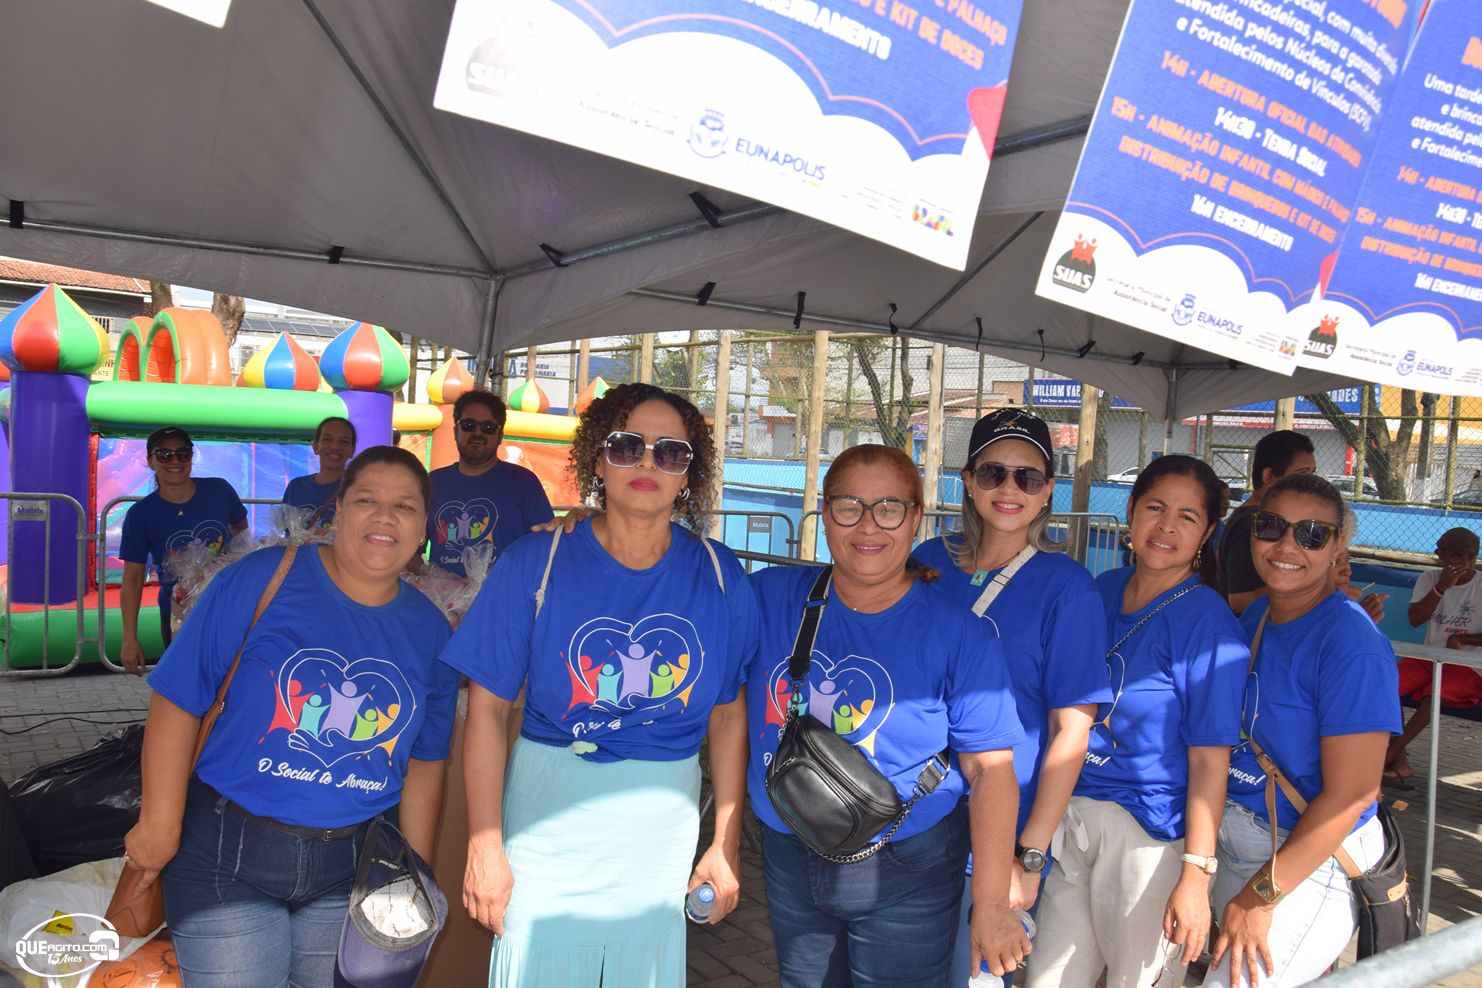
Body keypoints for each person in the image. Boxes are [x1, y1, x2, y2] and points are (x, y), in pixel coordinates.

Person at [443, 383, 757, 986]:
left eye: (671, 452)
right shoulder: (534, 563)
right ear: (597, 459)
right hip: (545, 826)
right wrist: (484, 845)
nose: (648, 463)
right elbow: (487, 711)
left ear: (689, 474)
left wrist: (725, 844)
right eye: (627, 445)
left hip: (659, 840)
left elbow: (726, 715)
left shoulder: (721, 575)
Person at [122, 446, 459, 986]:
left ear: (423, 529)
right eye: (367, 500)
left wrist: (410, 873)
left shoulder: (432, 631)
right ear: (338, 510)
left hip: (352, 869)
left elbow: (425, 760)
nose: (384, 517)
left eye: (404, 506)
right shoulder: (262, 579)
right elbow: (179, 697)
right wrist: (159, 822)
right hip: (227, 856)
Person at [749, 444, 1029, 987]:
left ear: (916, 517)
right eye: (848, 506)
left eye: (889, 508)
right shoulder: (768, 597)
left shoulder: (959, 634)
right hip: (790, 845)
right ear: (824, 514)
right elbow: (683, 577)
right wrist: (592, 528)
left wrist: (992, 902)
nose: (868, 526)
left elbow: (991, 768)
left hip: (908, 864)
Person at [1028, 455, 1249, 988]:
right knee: (1046, 979)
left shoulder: (1209, 625)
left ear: (1207, 533)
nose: (1166, 526)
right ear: (1130, 510)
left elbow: (1210, 759)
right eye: (1155, 507)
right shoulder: (1101, 589)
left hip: (1149, 838)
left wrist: (1195, 876)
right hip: (1071, 816)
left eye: (1187, 516)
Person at [911, 408, 1110, 986]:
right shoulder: (928, 563)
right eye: (993, 472)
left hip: (997, 827)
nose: (1009, 489)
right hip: (910, 814)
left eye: (1028, 477)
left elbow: (1072, 731)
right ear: (969, 482)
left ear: (1048, 491)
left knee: (971, 972)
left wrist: (1030, 854)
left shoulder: (1068, 588)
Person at [1207, 474, 1400, 987]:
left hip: (1306, 861)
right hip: (1239, 842)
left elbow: (1352, 795)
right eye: (1272, 526)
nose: (1288, 545)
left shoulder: (1351, 643)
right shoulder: (1260, 615)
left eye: (1312, 534)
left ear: (1338, 546)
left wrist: (1260, 897)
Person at [119, 427, 248, 675]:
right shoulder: (140, 515)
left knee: (232, 677)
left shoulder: (219, 490)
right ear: (150, 461)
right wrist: (129, 638)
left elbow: (241, 532)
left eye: (183, 453)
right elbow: (133, 577)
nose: (175, 461)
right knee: (184, 679)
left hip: (227, 605)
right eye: (164, 454)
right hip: (178, 613)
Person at [1386, 527, 1482, 787]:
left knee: (1435, 694)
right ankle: (1400, 759)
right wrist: (1441, 588)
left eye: (1471, 556)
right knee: (1387, 683)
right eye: (1458, 555)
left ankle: (1392, 753)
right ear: (1441, 554)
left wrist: (1461, 639)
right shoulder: (1429, 579)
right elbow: (1416, 619)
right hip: (1430, 657)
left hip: (1469, 665)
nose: (1465, 563)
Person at [427, 391, 553, 577]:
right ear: (455, 431)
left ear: (500, 435)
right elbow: (408, 552)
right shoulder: (431, 483)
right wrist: (443, 582)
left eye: (488, 428)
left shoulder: (524, 483)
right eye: (469, 425)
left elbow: (546, 549)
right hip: (441, 594)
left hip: (508, 594)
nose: (477, 433)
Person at [1219, 430, 1316, 615]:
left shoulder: (1271, 520)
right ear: (1269, 476)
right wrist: (1312, 587)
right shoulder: (1251, 523)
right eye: (1302, 474)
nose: (1310, 483)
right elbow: (1241, 601)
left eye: (1312, 473)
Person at [281, 416, 357, 528]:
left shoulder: (357, 489)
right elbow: (287, 530)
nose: (335, 446)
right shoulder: (296, 487)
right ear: (316, 447)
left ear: (352, 450)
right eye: (327, 439)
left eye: (344, 441)